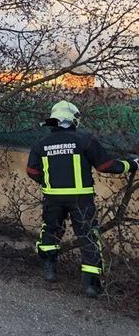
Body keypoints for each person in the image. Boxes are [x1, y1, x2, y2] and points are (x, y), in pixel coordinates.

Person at [26, 100, 138, 298]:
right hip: (80, 198)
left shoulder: (41, 144)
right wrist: (132, 165)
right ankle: (90, 285)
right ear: (72, 119)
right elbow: (106, 165)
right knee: (88, 237)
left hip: (52, 197)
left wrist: (48, 181)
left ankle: (50, 270)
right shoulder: (84, 140)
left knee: (50, 232)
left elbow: (32, 171)